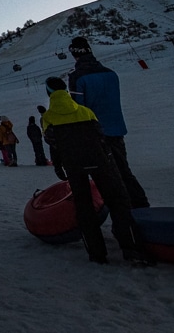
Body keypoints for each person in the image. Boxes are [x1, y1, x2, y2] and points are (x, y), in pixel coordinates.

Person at [42, 77, 153, 266]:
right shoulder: (86, 111)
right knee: (118, 201)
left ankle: (97, 253)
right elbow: (100, 137)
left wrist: (59, 166)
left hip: (74, 166)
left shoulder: (48, 117)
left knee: (84, 208)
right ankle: (131, 248)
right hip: (100, 162)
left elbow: (54, 144)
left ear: (49, 93)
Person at [68, 36, 149, 208]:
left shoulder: (77, 77)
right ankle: (140, 205)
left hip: (95, 133)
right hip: (117, 128)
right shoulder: (111, 73)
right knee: (123, 170)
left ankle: (125, 213)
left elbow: (78, 109)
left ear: (74, 54)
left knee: (108, 175)